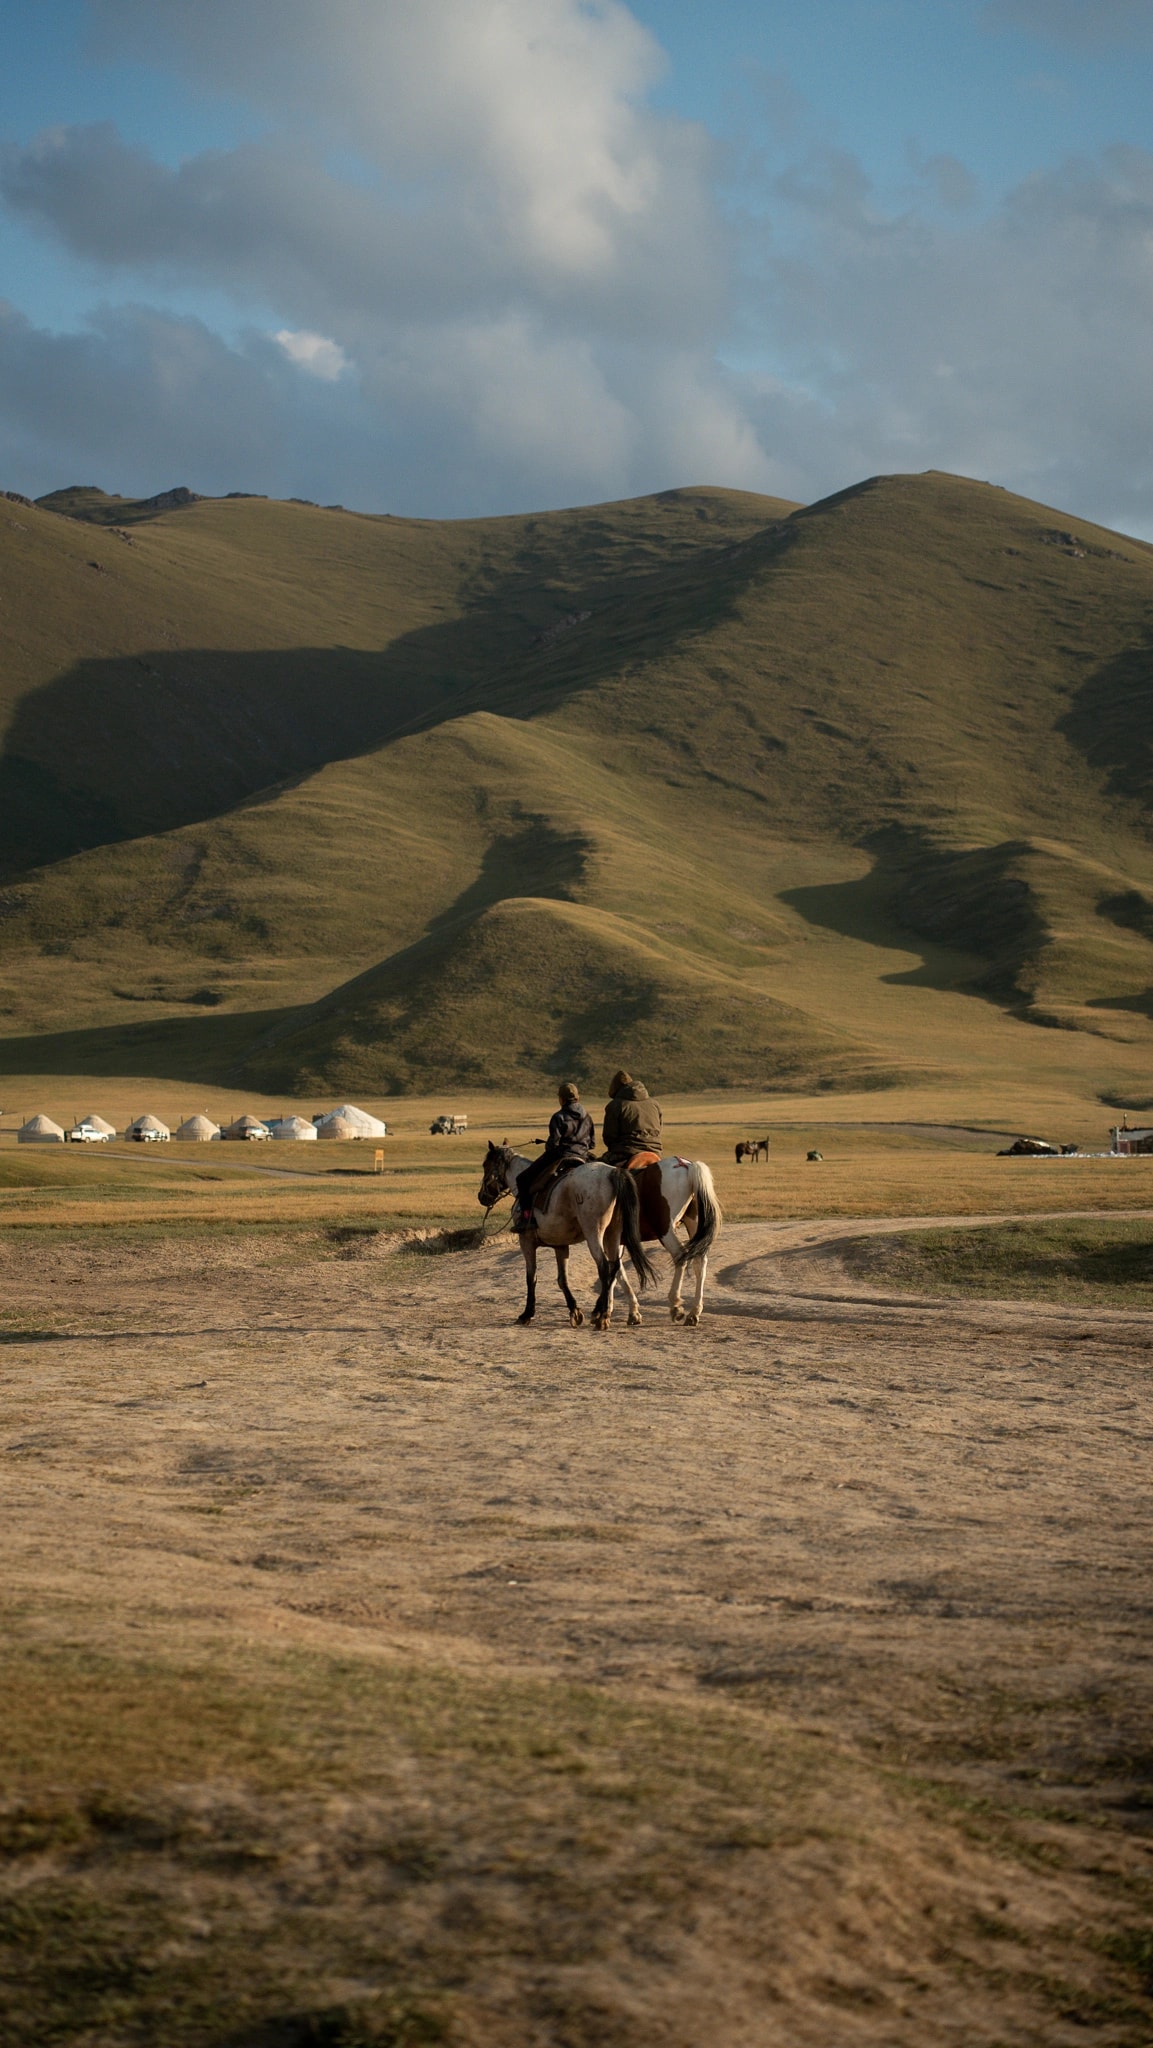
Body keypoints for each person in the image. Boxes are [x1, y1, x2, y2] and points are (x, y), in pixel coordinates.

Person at [513, 1082, 595, 1231]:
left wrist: (549, 1145)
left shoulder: (559, 1117)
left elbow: (553, 1145)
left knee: (522, 1179)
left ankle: (526, 1218)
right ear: (577, 1098)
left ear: (562, 1099)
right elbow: (593, 1143)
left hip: (562, 1156)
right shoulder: (587, 1117)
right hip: (583, 1156)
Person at [601, 1070, 662, 1165]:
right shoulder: (655, 1104)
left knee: (594, 1170)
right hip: (655, 1151)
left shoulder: (615, 1105)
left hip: (626, 1152)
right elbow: (659, 1129)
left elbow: (609, 1136)